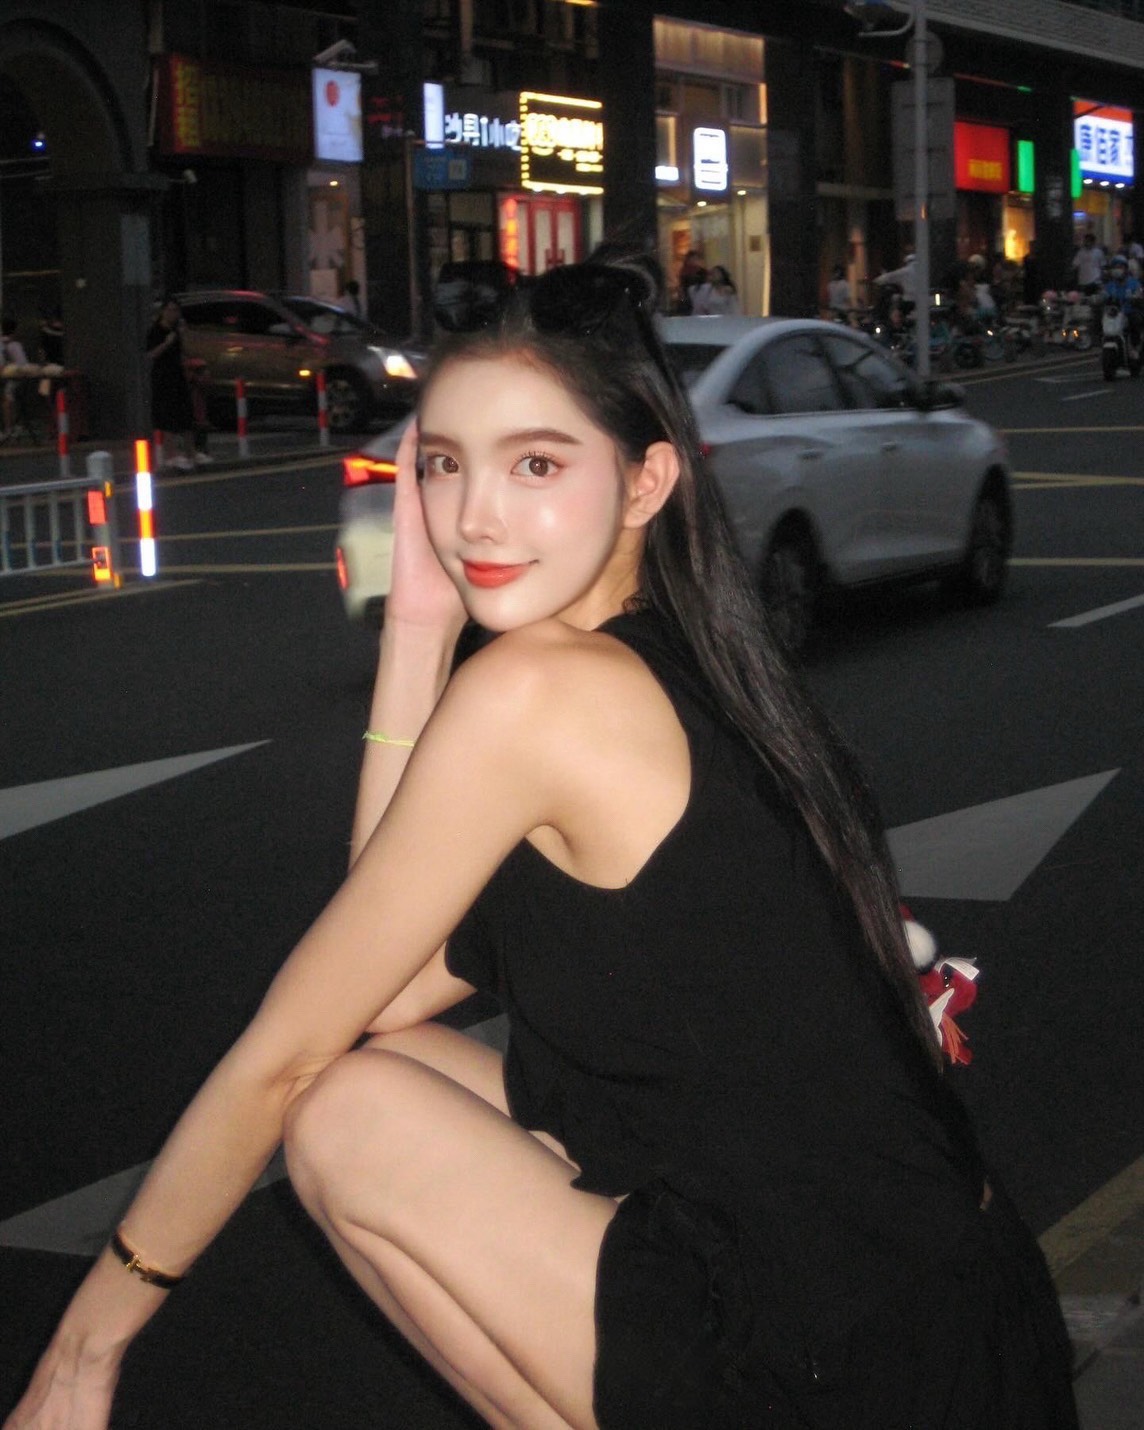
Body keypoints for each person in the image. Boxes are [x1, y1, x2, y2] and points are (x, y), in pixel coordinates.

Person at [6, 253, 1079, 1430]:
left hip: (845, 1352)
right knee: (382, 1077)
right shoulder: (683, 655)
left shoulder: (541, 691)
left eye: (535, 464)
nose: (473, 515)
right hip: (952, 1310)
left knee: (344, 1110)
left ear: (645, 479)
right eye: (442, 463)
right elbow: (389, 986)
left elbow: (285, 1048)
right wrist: (419, 629)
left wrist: (86, 1349)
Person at [146, 297, 203, 470]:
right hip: (163, 377)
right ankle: (171, 455)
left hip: (178, 375)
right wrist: (166, 343)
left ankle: (191, 452)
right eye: (170, 310)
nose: (173, 314)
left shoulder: (177, 330)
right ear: (163, 311)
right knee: (167, 416)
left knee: (185, 414)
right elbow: (151, 354)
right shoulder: (156, 331)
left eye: (176, 311)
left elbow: (186, 352)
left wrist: (183, 336)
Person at [1, 316, 30, 441]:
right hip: (12, 379)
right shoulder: (14, 345)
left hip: (4, 379)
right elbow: (23, 364)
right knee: (10, 398)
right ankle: (11, 427)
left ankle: (8, 428)